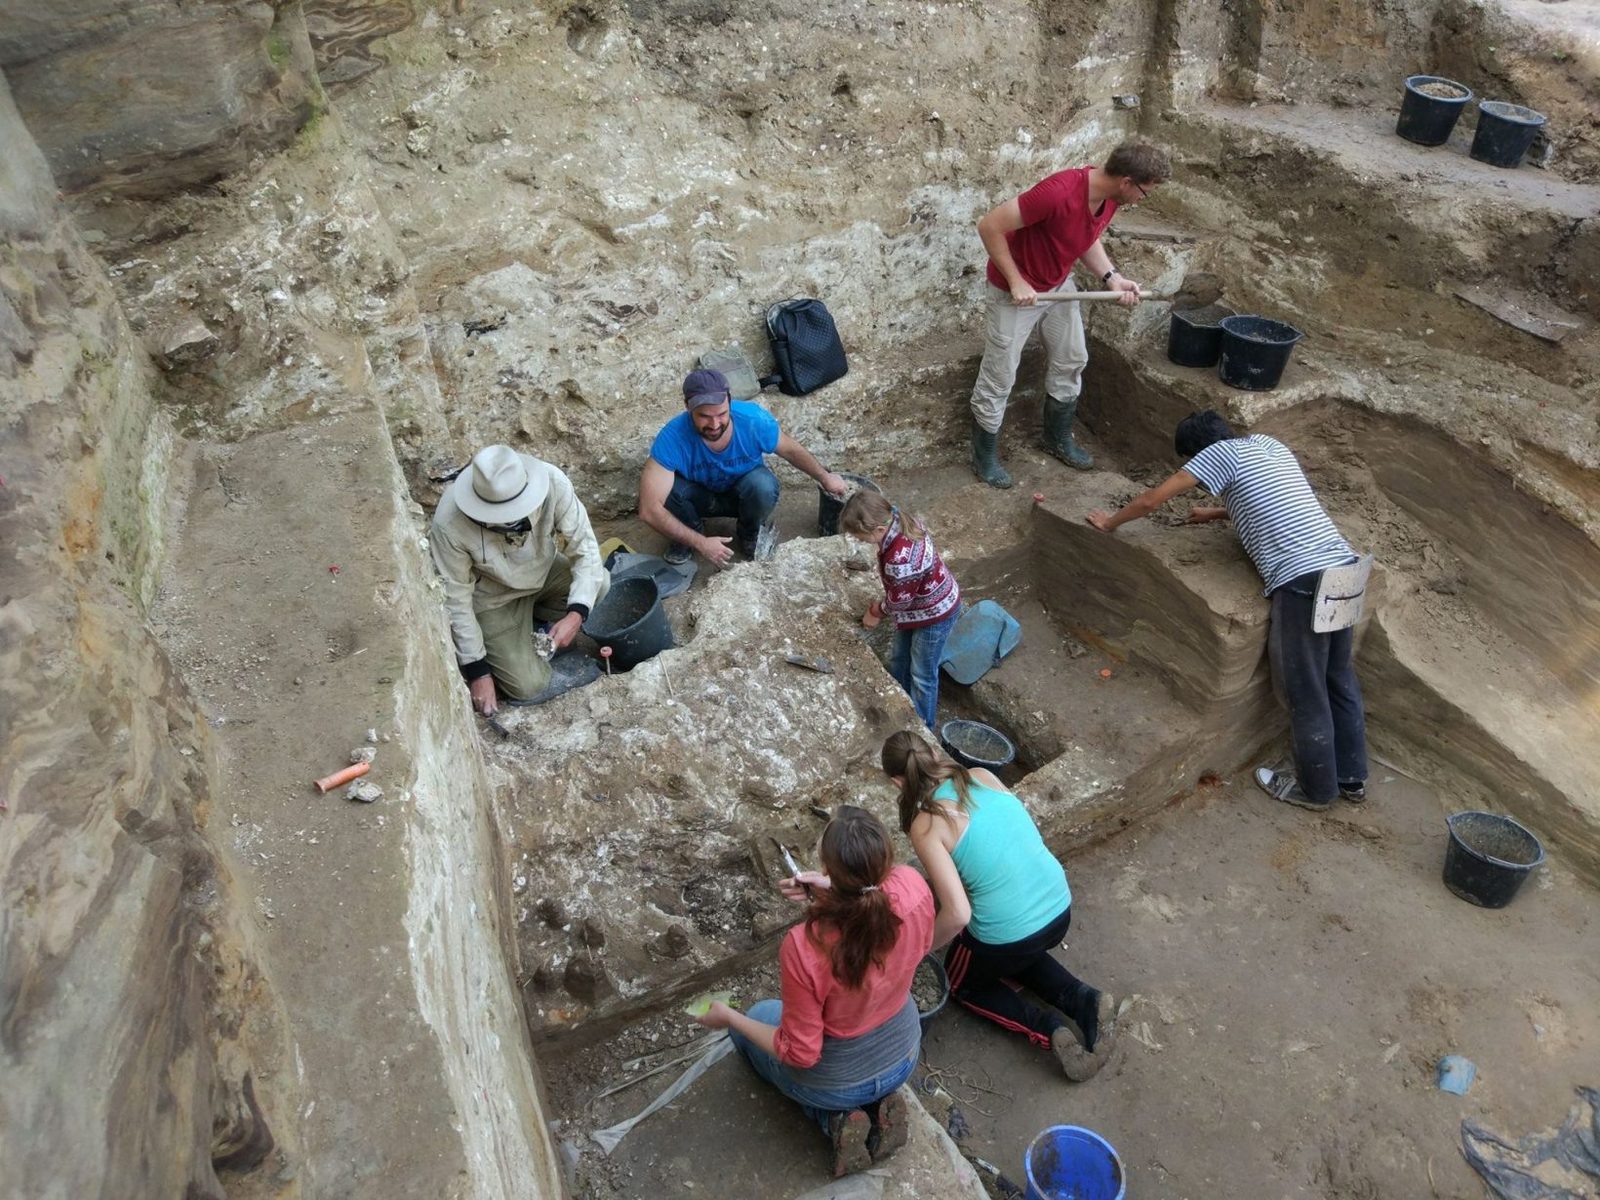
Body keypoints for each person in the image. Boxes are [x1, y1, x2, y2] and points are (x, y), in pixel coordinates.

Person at [1086, 410, 1369, 810]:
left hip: (1304, 580)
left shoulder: (1216, 455)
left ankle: (1317, 789)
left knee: (1304, 688)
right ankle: (1352, 777)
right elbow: (1276, 498)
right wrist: (1218, 512)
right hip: (1345, 569)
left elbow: (1151, 500)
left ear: (1198, 450)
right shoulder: (1268, 445)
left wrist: (1109, 522)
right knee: (1339, 676)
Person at [695, 805, 934, 1177]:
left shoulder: (805, 947)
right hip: (903, 1054)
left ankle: (835, 1121)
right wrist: (832, 898)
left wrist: (730, 1017)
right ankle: (879, 1106)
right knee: (779, 1025)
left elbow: (801, 1053)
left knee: (756, 1020)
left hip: (838, 1081)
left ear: (827, 869)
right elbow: (885, 921)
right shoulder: (915, 888)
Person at [880, 732, 1118, 1081]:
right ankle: (1085, 1000)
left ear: (896, 782)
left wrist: (917, 952)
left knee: (963, 980)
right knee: (1011, 947)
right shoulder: (982, 776)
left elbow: (958, 913)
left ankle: (1048, 1027)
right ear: (933, 752)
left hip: (1013, 931)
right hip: (1058, 906)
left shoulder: (926, 824)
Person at [969, 142, 1172, 489]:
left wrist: (1112, 278)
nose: (1143, 199)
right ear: (1126, 181)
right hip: (1014, 292)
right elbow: (989, 225)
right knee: (1000, 374)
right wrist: (1016, 281)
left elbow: (1085, 237)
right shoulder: (1058, 192)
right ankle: (983, 456)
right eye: (1144, 192)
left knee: (1072, 357)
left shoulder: (1109, 199)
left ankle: (1056, 437)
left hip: (1059, 285)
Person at [429, 444, 610, 716]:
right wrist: (477, 671)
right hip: (493, 601)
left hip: (543, 573)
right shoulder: (449, 524)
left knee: (600, 584)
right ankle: (518, 640)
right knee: (528, 686)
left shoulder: (552, 482)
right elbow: (456, 600)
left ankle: (537, 627)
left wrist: (576, 614)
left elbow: (585, 550)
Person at [638, 368, 848, 567]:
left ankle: (749, 532)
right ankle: (690, 533)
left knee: (763, 485)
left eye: (721, 414)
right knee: (670, 491)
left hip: (741, 496)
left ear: (730, 401)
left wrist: (824, 477)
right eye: (704, 416)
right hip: (700, 498)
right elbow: (649, 510)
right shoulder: (672, 437)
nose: (714, 424)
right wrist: (700, 542)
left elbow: (791, 450)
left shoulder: (753, 420)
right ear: (688, 407)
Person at [839, 490, 962, 730]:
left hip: (935, 615)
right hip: (920, 607)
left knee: (923, 674)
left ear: (878, 530)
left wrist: (876, 611)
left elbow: (900, 602)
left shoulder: (900, 559)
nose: (859, 541)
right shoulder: (900, 520)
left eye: (860, 537)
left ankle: (922, 725)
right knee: (899, 658)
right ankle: (900, 700)